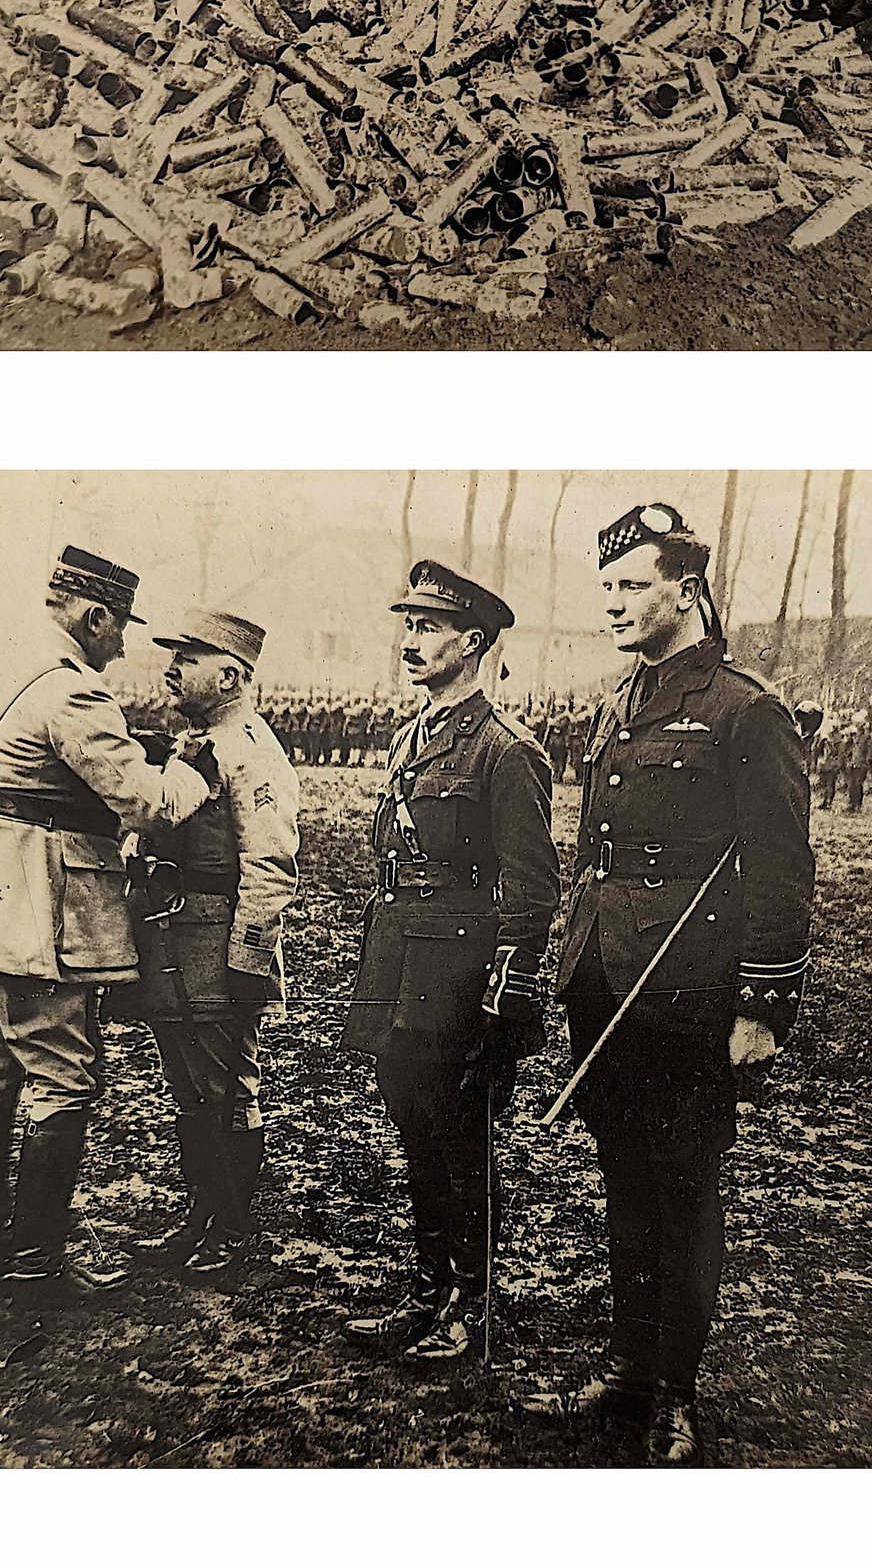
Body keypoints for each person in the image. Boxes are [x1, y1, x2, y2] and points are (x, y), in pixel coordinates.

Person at [525, 503, 815, 1466]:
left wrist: (763, 1005)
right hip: (605, 979)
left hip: (688, 990)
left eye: (629, 586)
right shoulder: (621, 698)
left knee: (683, 1188)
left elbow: (780, 867)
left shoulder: (745, 708)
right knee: (625, 1181)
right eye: (604, 587)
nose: (611, 604)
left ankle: (675, 1392)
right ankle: (630, 1365)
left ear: (683, 589)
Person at [0, 549, 215, 1302]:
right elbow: (144, 803)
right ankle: (36, 1266)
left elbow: (27, 769)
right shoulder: (76, 693)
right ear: (93, 616)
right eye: (118, 633)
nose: (120, 649)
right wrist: (189, 775)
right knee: (60, 1079)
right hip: (31, 911)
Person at [340, 561, 560, 1365]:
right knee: (411, 1121)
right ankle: (429, 1289)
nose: (411, 639)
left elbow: (534, 886)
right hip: (399, 955)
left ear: (473, 642)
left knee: (458, 1134)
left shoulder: (507, 750)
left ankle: (472, 1299)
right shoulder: (411, 736)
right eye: (407, 625)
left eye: (427, 627)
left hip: (459, 968)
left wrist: (509, 986)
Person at [125, 609, 299, 1281]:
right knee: (189, 1089)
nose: (169, 670)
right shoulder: (195, 742)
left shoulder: (252, 750)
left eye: (186, 659)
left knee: (227, 1088)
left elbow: (271, 861)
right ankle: (199, 1215)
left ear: (229, 674)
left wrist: (250, 954)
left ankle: (231, 1230)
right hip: (174, 936)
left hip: (219, 942)